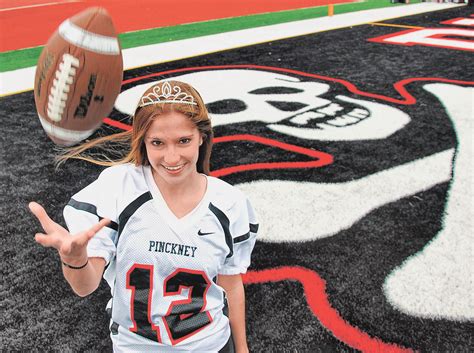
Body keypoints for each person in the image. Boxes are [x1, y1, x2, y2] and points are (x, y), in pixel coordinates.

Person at [29, 80, 258, 353]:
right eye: (158, 143)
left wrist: (242, 349)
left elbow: (231, 287)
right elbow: (84, 287)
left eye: (183, 140)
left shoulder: (229, 203)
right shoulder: (120, 188)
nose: (172, 157)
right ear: (143, 141)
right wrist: (74, 260)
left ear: (202, 136)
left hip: (210, 345)